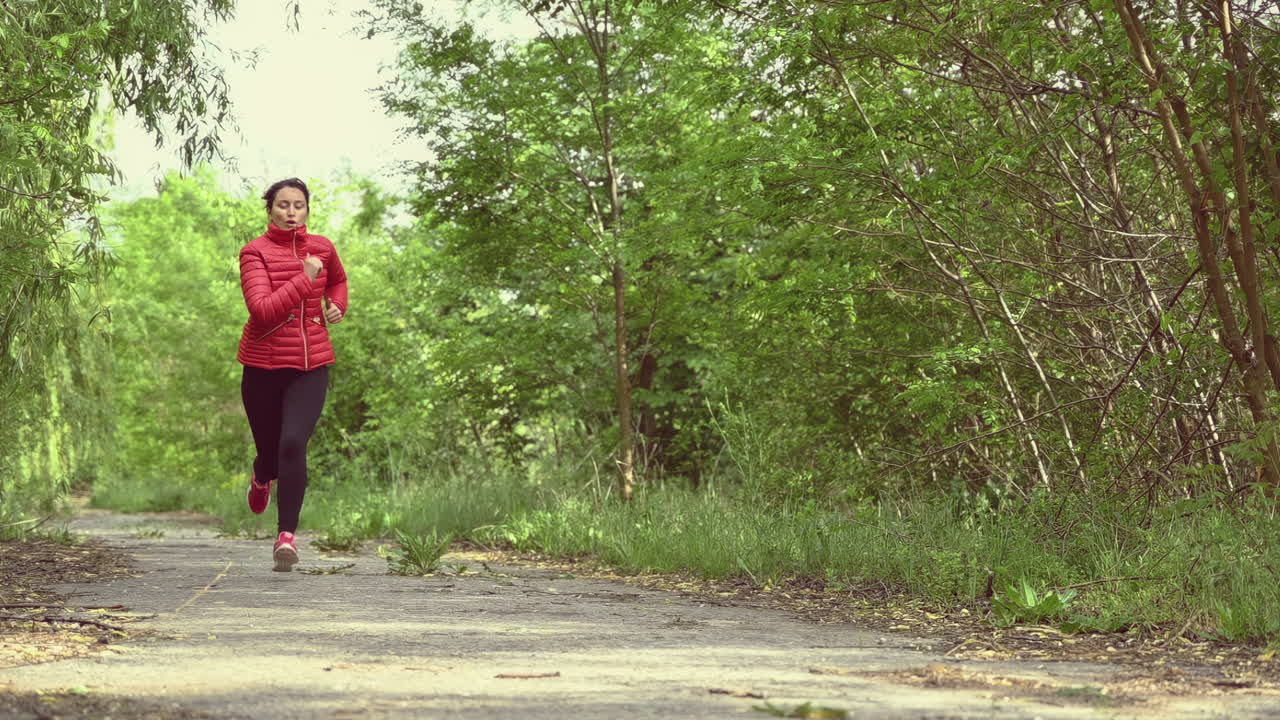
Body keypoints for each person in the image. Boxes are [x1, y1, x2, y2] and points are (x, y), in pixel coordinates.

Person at [237, 177, 348, 571]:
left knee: (292, 443)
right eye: (283, 205)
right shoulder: (255, 253)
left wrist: (336, 305)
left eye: (298, 205)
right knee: (270, 453)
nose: (291, 212)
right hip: (263, 366)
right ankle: (261, 474)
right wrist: (305, 277)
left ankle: (287, 537)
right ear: (270, 210)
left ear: (307, 209)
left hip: (311, 364)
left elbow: (337, 280)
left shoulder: (323, 247)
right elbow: (262, 310)